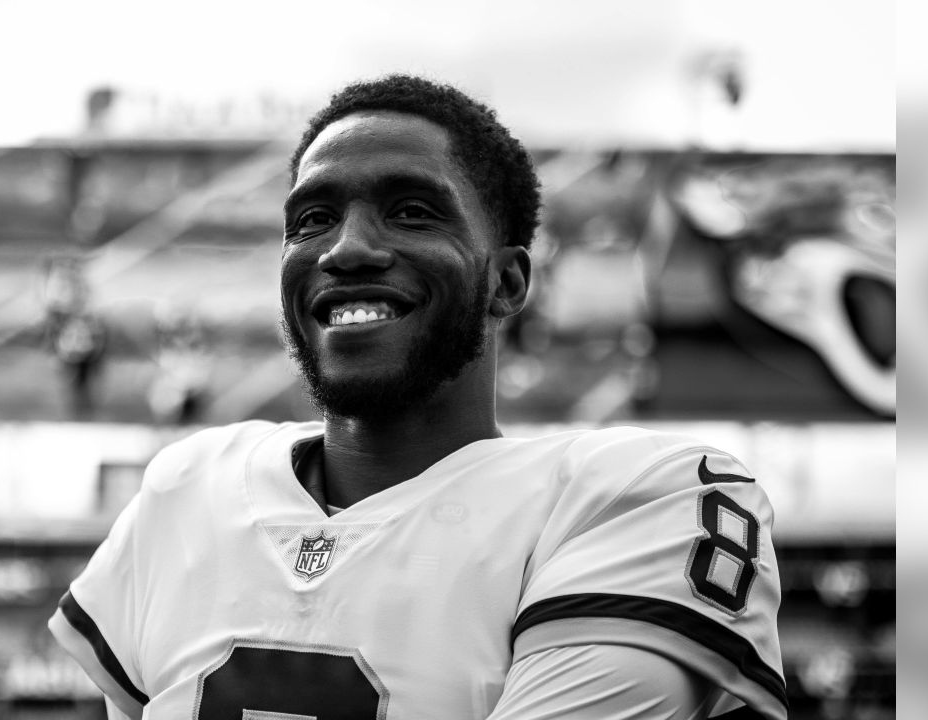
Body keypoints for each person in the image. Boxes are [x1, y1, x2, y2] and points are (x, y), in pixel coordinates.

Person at [49, 75, 786, 720]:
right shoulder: (188, 489)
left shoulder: (637, 501)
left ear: (507, 283)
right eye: (312, 219)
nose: (345, 249)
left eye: (410, 211)